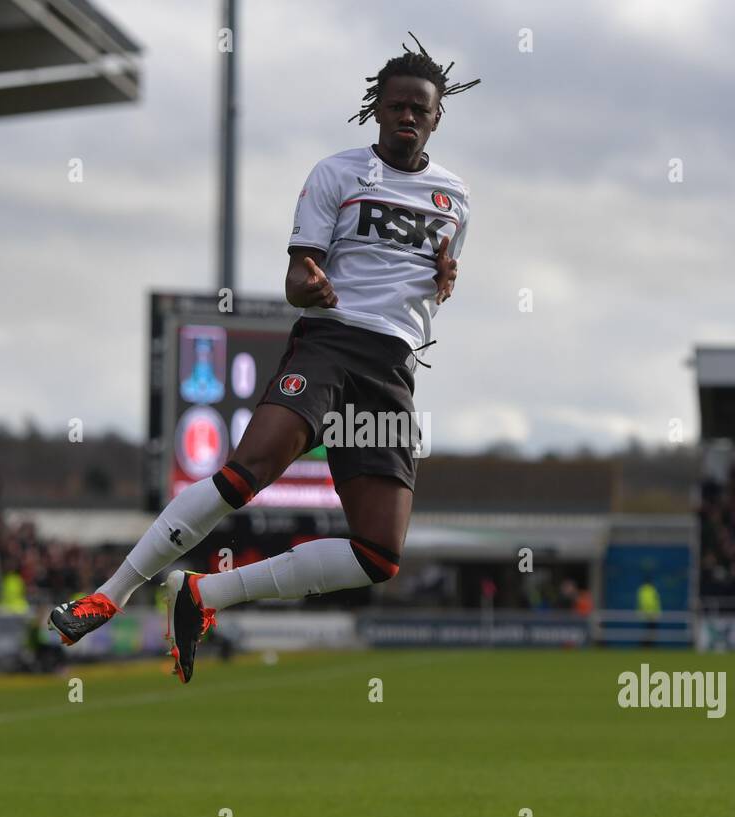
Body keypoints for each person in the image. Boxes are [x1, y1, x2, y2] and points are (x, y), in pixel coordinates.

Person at [49, 34, 479, 684]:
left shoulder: (457, 199)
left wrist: (447, 278)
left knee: (378, 553)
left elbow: (433, 281)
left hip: (393, 370)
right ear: (378, 110)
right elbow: (296, 275)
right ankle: (111, 592)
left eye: (420, 108)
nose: (407, 117)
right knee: (246, 472)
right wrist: (309, 283)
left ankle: (204, 594)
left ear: (437, 116)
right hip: (331, 343)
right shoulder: (335, 174)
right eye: (396, 106)